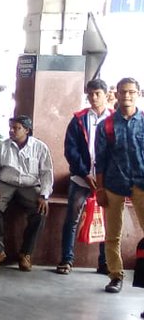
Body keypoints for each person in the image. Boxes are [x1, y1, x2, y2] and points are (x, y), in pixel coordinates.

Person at [58, 79, 113, 275]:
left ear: (106, 95)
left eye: (97, 93)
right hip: (81, 179)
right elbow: (70, 150)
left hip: (107, 181)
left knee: (107, 221)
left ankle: (104, 262)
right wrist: (85, 173)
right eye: (90, 94)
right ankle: (67, 259)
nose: (93, 98)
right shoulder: (79, 119)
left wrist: (104, 177)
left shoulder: (114, 119)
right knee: (72, 219)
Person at [0, 116, 54, 272]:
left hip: (29, 186)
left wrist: (44, 196)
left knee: (40, 211)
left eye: (16, 128)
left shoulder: (40, 147)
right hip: (6, 184)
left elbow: (47, 174)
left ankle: (26, 254)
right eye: (10, 127)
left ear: (27, 130)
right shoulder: (2, 146)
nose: (12, 131)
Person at [94, 78, 144, 294]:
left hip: (141, 183)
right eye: (123, 91)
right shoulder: (106, 125)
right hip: (114, 184)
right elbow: (100, 160)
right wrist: (100, 189)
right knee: (112, 234)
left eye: (131, 92)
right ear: (116, 93)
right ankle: (115, 275)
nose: (127, 96)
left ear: (138, 94)